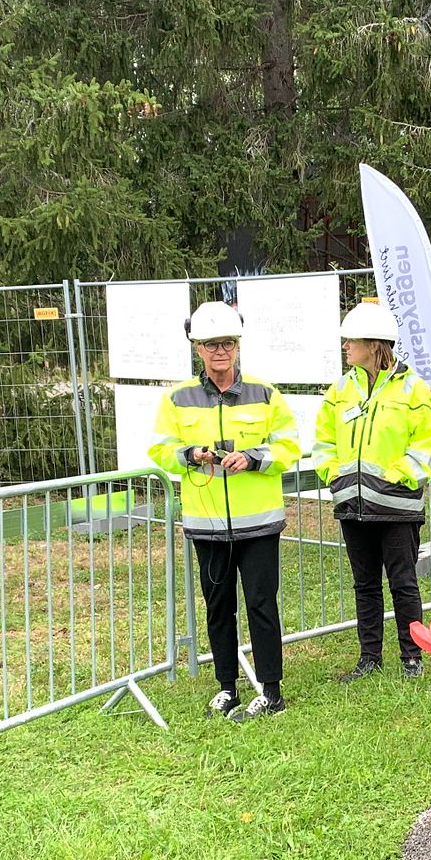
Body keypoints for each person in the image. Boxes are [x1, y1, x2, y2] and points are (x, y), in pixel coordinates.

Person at [149, 302, 300, 721]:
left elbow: (289, 446)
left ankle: (271, 690)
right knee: (218, 608)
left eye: (228, 344)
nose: (221, 352)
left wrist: (252, 458)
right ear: (197, 348)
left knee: (261, 605)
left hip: (259, 525)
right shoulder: (177, 398)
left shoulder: (266, 393)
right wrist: (189, 454)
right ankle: (227, 686)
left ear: (237, 347)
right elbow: (160, 449)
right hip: (208, 524)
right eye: (212, 344)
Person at [310, 301, 431, 681]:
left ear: (374, 344)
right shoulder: (340, 390)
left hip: (396, 508)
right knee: (365, 585)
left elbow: (429, 443)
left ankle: (412, 658)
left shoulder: (413, 388)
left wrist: (397, 476)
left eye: (350, 340)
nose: (345, 347)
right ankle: (369, 659)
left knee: (403, 583)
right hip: (353, 507)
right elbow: (323, 442)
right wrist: (333, 477)